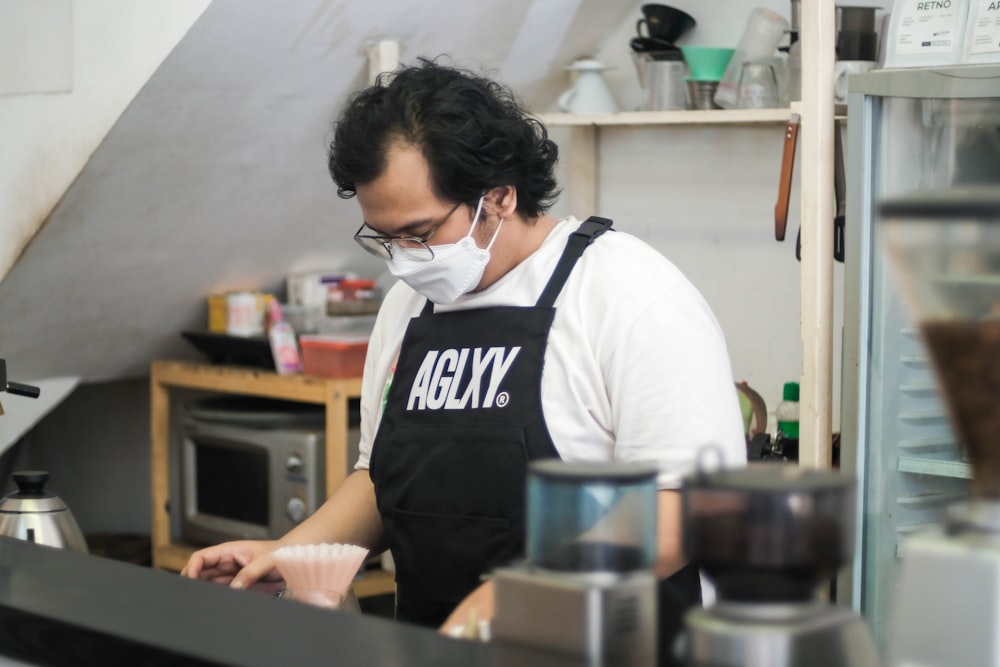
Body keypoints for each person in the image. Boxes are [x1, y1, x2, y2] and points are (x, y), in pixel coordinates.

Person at [181, 57, 745, 655]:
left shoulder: (626, 293)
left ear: (498, 197)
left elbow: (685, 510)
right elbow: (383, 478)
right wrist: (292, 552)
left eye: (420, 234)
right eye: (385, 237)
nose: (402, 257)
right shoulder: (408, 308)